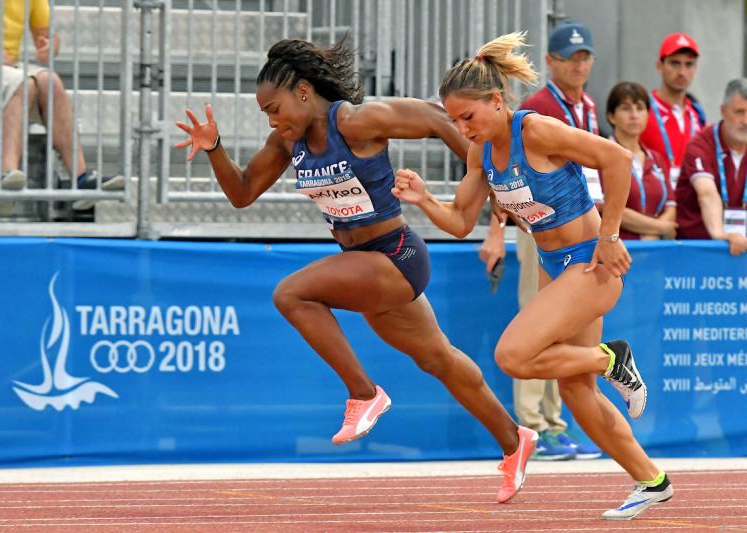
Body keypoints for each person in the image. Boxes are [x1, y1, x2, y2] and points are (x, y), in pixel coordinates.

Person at [174, 38, 538, 503]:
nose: (272, 120)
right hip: (368, 269)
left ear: (303, 92)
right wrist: (215, 148)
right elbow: (242, 193)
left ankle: (363, 394)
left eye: (274, 108)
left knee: (292, 294)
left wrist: (489, 180)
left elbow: (435, 118)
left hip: (395, 256)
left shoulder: (354, 121)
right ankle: (514, 440)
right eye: (265, 114)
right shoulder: (288, 142)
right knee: (438, 359)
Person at [394, 32, 673, 520]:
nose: (463, 127)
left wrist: (610, 236)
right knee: (575, 391)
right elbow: (461, 221)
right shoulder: (479, 153)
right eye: (454, 119)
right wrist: (424, 201)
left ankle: (611, 359)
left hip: (591, 263)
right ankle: (652, 480)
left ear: (497, 102)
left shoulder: (536, 130)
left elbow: (617, 159)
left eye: (469, 117)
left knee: (513, 355)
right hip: (555, 267)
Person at [480, 20, 602, 461]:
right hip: (540, 231)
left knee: (563, 328)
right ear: (550, 62)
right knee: (536, 322)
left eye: (585, 56)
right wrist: (496, 231)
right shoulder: (537, 107)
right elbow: (501, 174)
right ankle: (532, 421)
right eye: (571, 58)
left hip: (575, 223)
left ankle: (554, 422)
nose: (579, 64)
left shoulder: (585, 104)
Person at [0, 0, 123, 208]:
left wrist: (50, 45)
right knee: (22, 84)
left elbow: (47, 34)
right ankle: (7, 177)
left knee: (51, 82)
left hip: (4, 69)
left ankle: (80, 179)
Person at [675, 79, 747, 256]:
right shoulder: (700, 145)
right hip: (699, 250)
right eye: (740, 112)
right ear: (723, 110)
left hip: (741, 248)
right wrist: (720, 233)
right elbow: (707, 194)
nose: (746, 120)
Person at [606, 82, 677, 240]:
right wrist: (659, 229)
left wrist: (650, 237)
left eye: (640, 108)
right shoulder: (601, 155)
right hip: (618, 252)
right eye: (626, 108)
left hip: (655, 251)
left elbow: (671, 208)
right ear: (611, 116)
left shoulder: (657, 159)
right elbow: (608, 208)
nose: (634, 115)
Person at [641, 32, 705, 188]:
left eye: (689, 64)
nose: (682, 72)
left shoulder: (697, 114)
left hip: (689, 205)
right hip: (654, 206)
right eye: (675, 63)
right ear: (660, 66)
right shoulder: (642, 109)